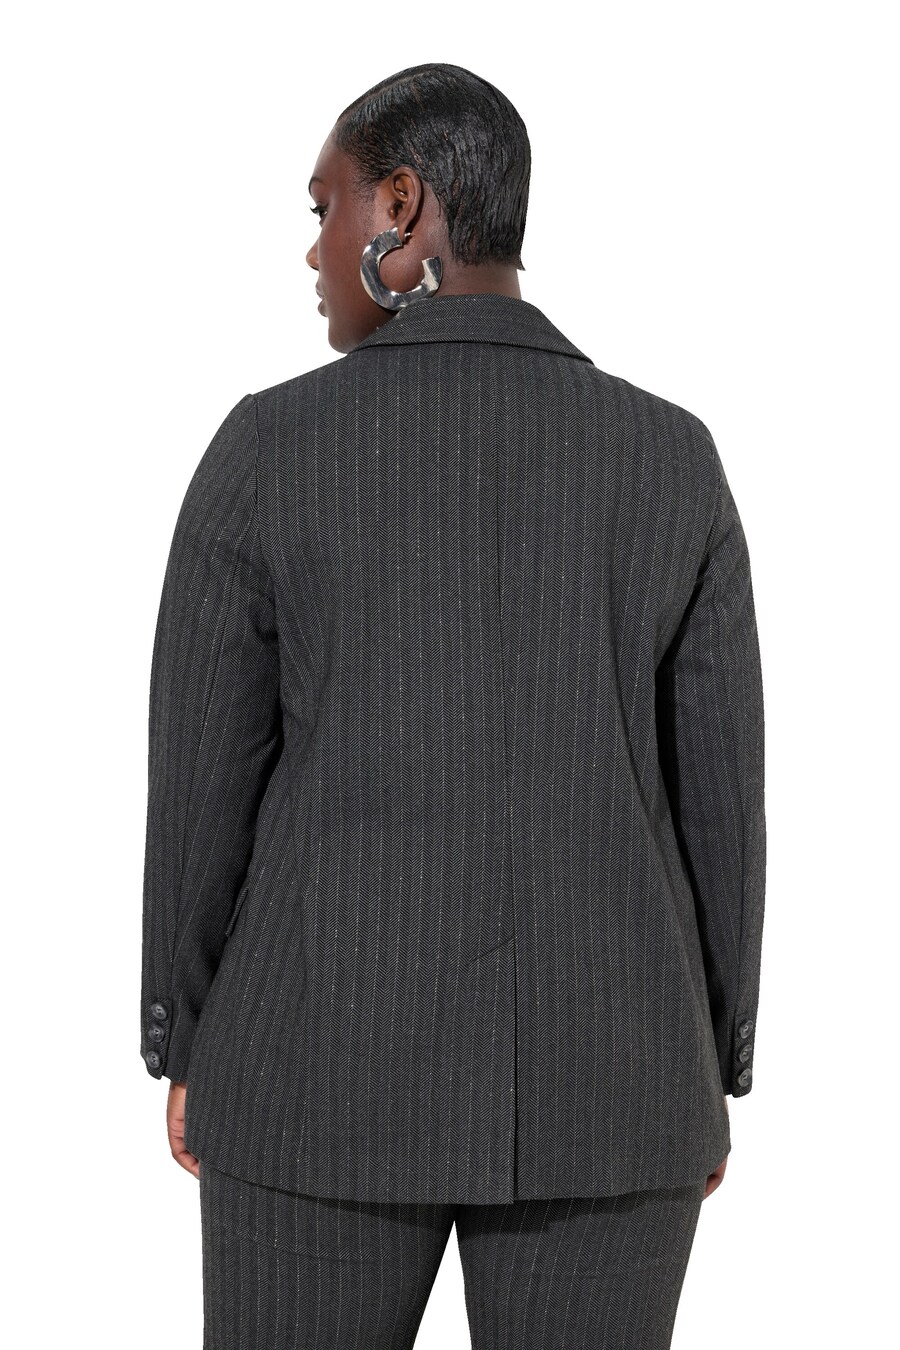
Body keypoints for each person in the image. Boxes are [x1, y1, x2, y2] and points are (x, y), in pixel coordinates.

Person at [140, 62, 766, 1350]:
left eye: (323, 207)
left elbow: (201, 780)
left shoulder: (267, 449)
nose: (310, 249)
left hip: (308, 1073)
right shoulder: (672, 458)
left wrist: (185, 1034)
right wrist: (707, 1059)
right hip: (616, 1086)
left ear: (401, 208)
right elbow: (723, 803)